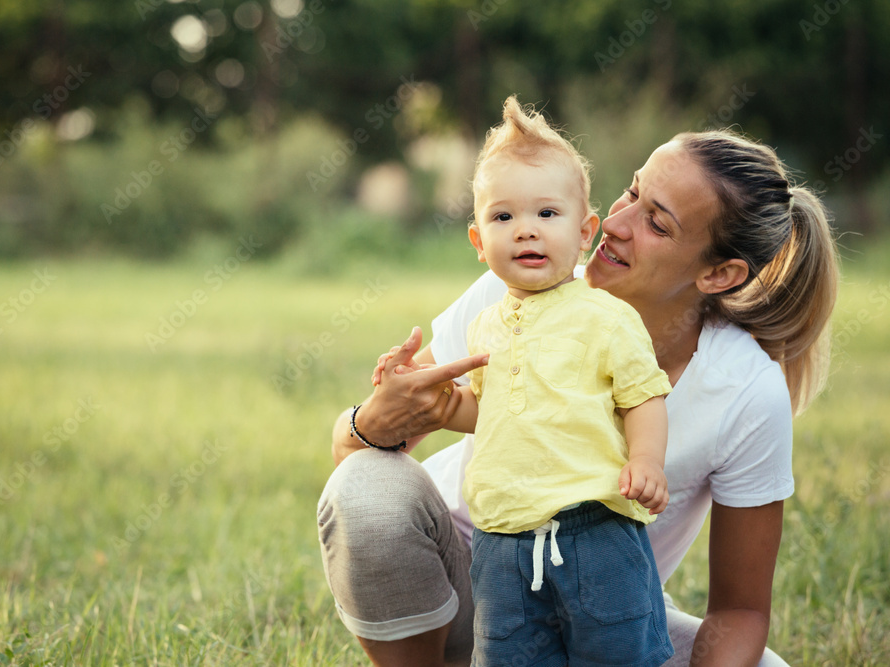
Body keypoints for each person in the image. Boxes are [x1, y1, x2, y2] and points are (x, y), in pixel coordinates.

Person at [317, 125, 839, 666]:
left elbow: (741, 612)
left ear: (720, 273)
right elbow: (350, 460)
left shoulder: (746, 392)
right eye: (633, 192)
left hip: (602, 613)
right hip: (468, 583)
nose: (615, 223)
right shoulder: (521, 282)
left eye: (655, 222)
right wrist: (373, 421)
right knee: (365, 487)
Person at [389, 95, 674, 666]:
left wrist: (646, 460)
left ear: (585, 229)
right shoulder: (486, 322)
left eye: (547, 214)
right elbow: (487, 411)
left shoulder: (606, 315)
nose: (526, 231)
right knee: (510, 656)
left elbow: (643, 395)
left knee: (615, 653)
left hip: (595, 530)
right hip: (501, 544)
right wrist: (443, 403)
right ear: (478, 241)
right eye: (503, 217)